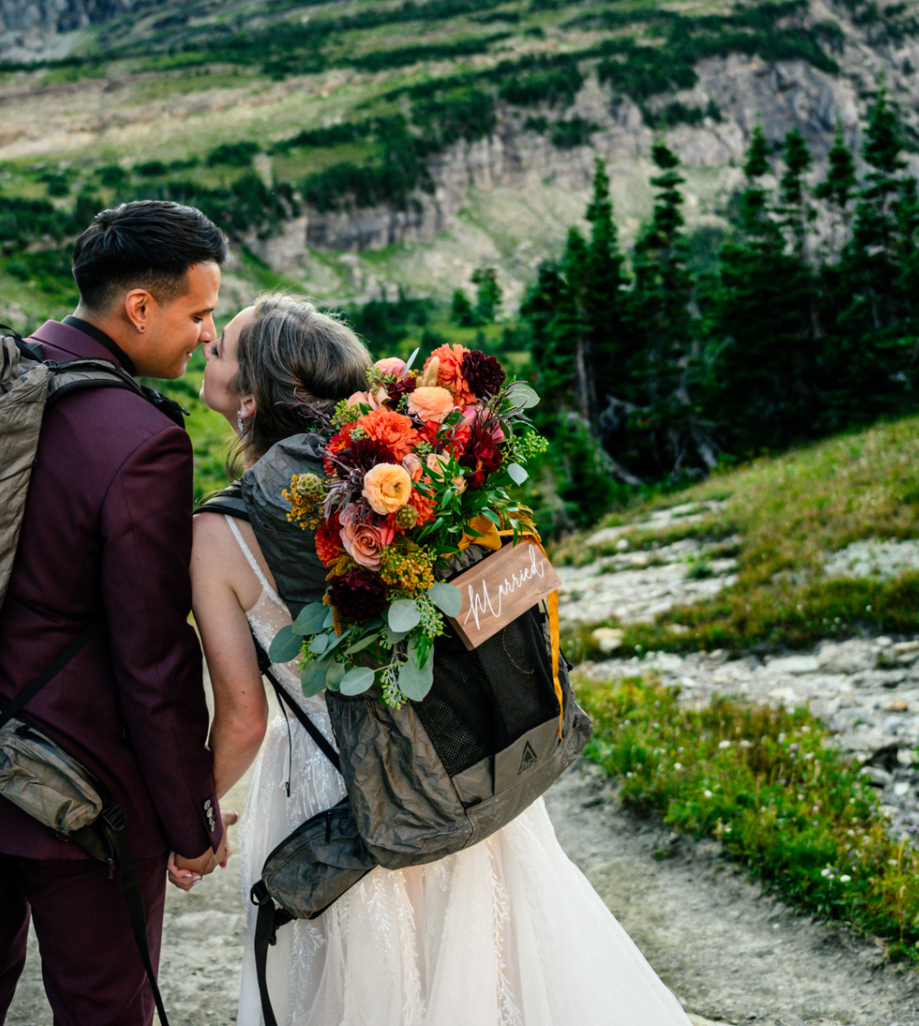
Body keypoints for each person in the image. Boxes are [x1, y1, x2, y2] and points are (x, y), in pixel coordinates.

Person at [185, 294, 695, 1026]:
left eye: (219, 349)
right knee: (489, 972)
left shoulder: (220, 530)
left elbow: (240, 718)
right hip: (453, 761)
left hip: (337, 796)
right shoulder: (419, 474)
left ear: (253, 398)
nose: (206, 348)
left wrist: (193, 813)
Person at [0, 200, 235, 1026]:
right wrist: (190, 821)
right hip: (78, 798)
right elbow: (151, 662)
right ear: (141, 307)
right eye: (199, 313)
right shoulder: (140, 438)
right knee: (102, 1009)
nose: (209, 336)